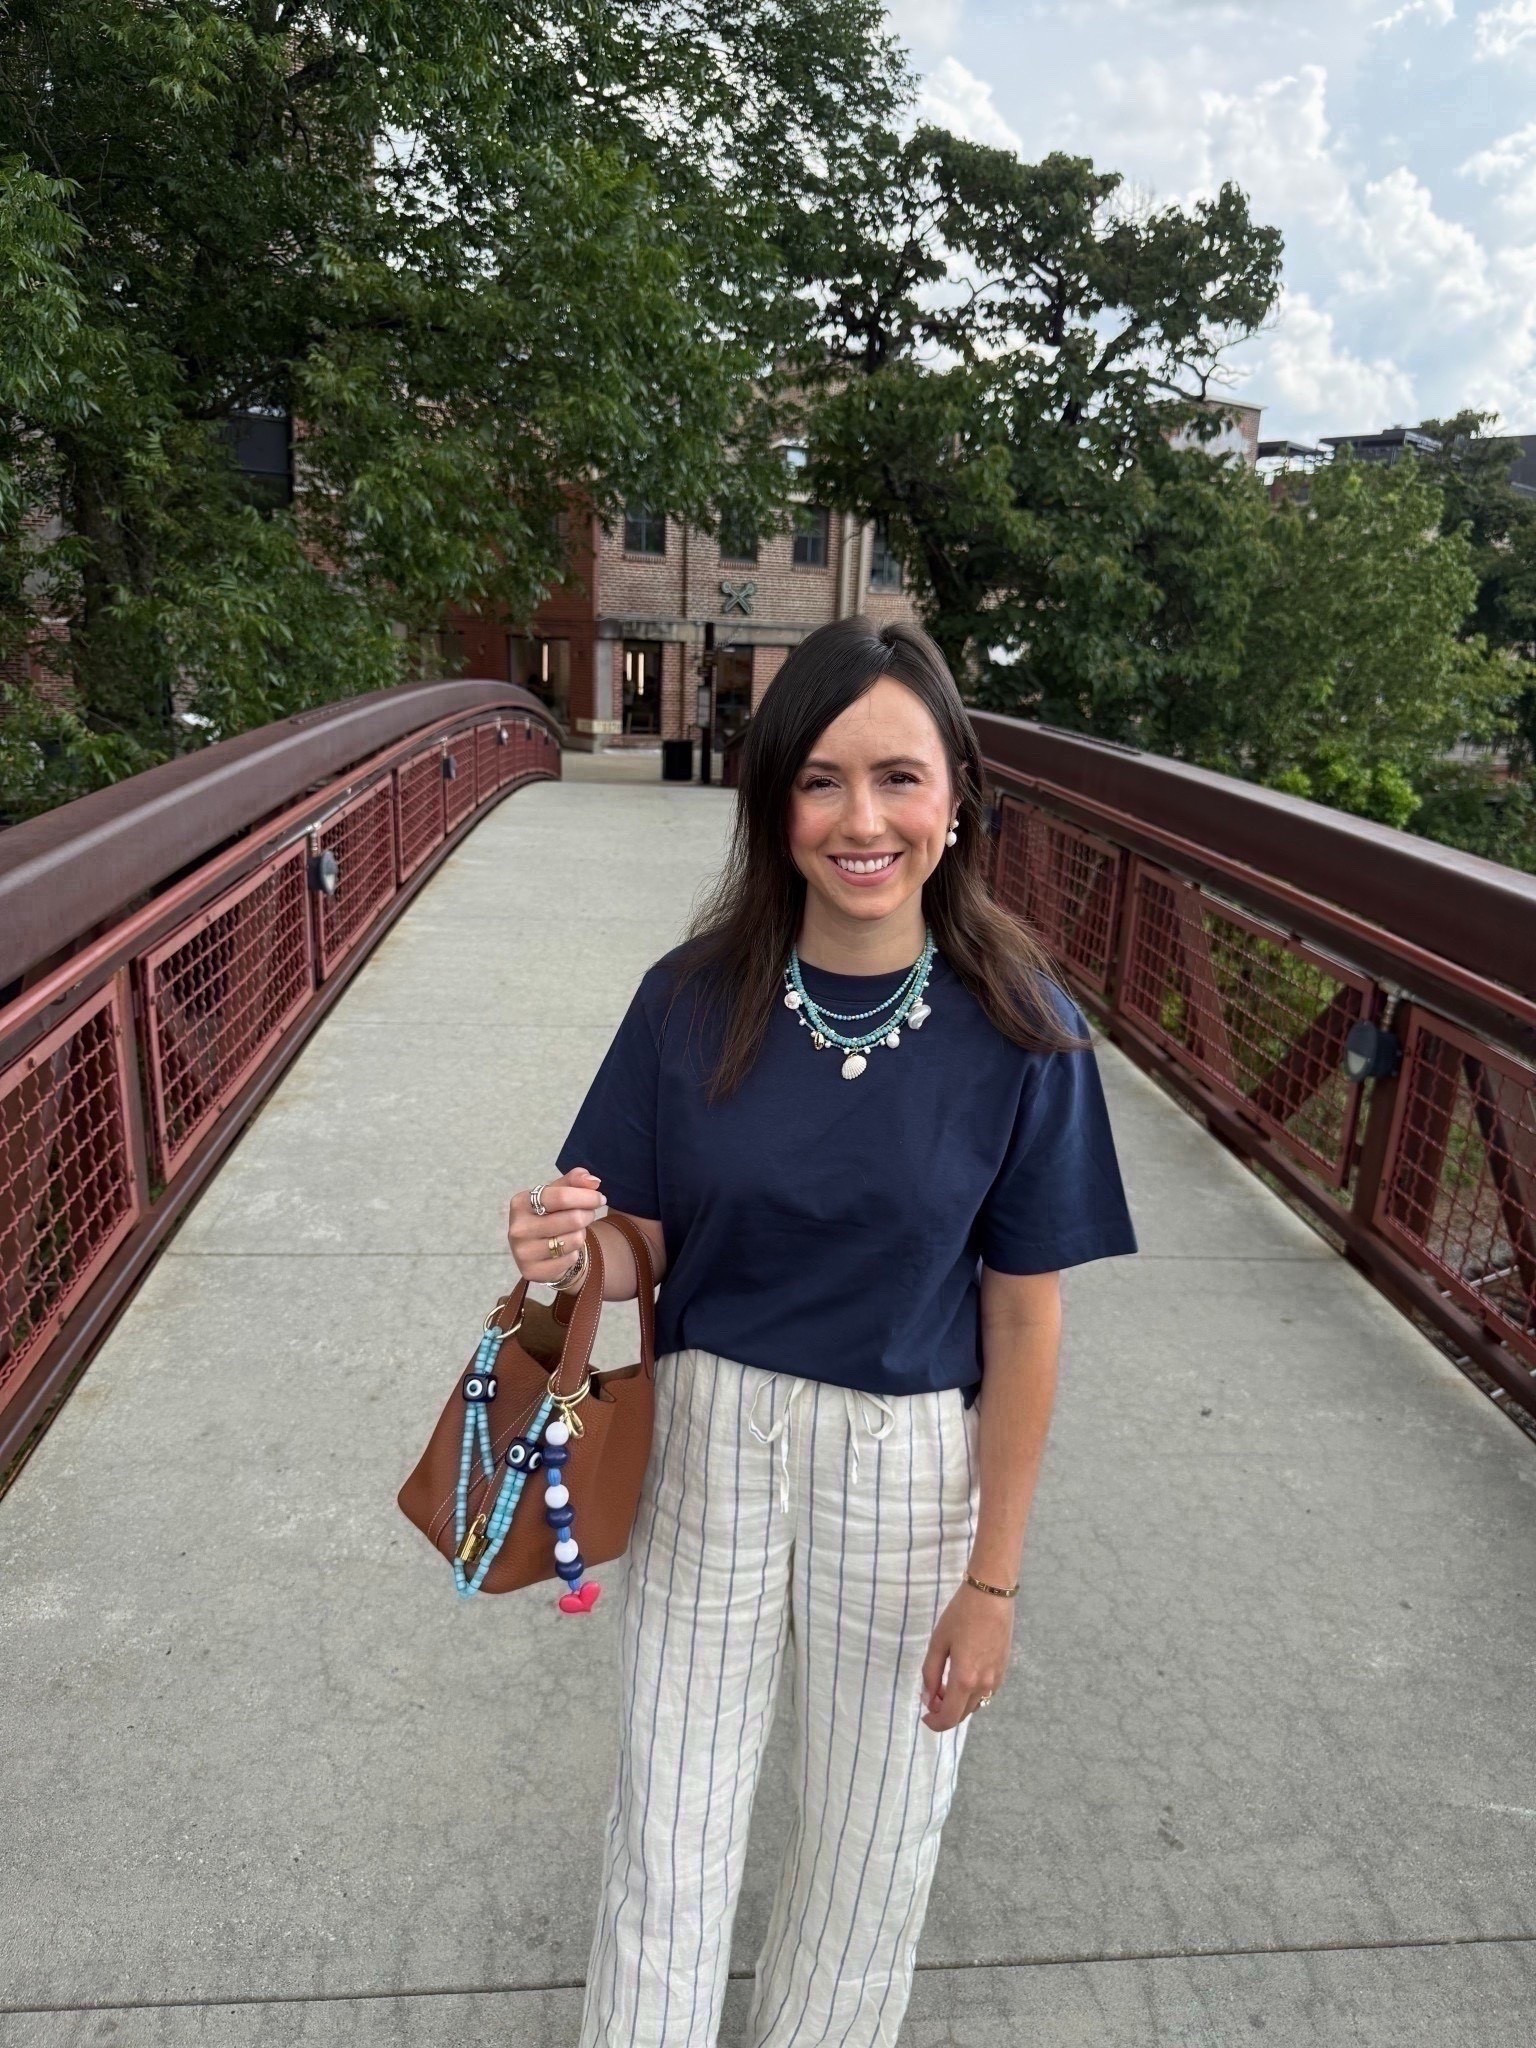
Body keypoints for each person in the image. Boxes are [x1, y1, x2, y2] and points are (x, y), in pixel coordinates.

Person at [505, 615, 1138, 2048]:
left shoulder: (1026, 1030)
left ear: (957, 797)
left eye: (900, 780)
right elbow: (639, 1239)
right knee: (670, 1825)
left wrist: (997, 1582)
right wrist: (574, 1248)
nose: (864, 821)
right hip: (709, 1443)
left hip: (909, 1466)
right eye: (823, 781)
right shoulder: (688, 1000)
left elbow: (1026, 1323)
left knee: (870, 1848)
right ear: (774, 798)